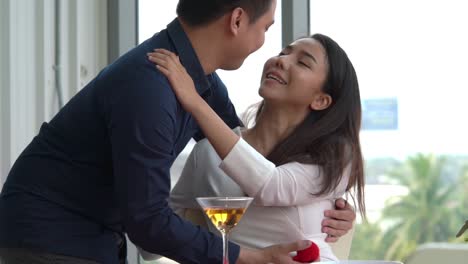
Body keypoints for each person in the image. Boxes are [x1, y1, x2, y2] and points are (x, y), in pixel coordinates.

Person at [0, 1, 353, 263]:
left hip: (91, 238)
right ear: (237, 19)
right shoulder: (152, 87)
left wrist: (326, 199)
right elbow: (149, 222)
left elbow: (241, 151)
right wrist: (250, 257)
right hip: (49, 239)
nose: (268, 49)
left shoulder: (201, 84)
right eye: (266, 30)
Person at [147, 33, 366, 261]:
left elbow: (269, 186)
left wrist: (193, 100)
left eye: (302, 62)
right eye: (284, 52)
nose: (281, 60)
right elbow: (153, 241)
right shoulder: (207, 153)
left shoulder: (333, 156)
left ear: (321, 100)